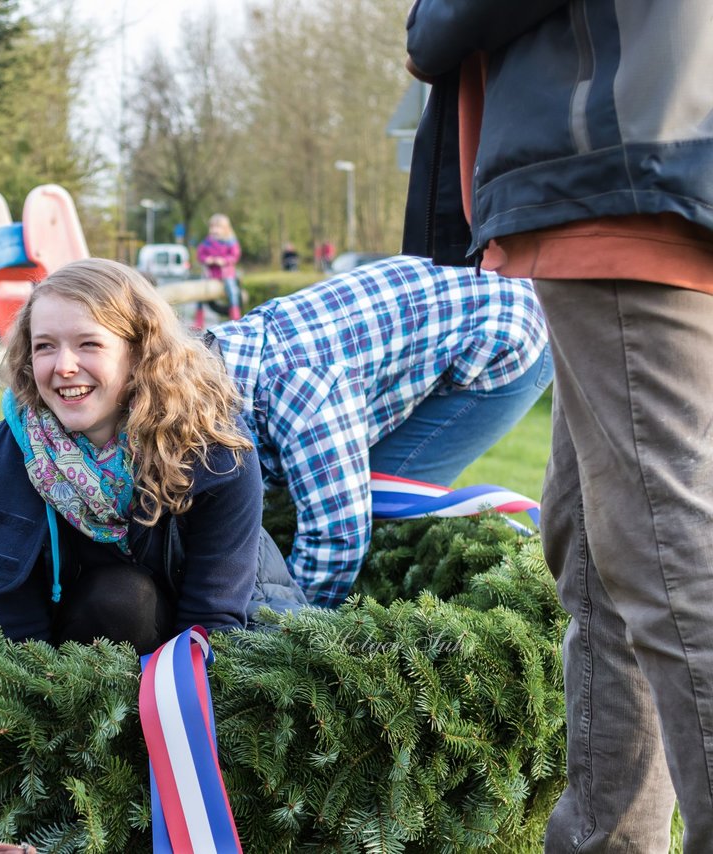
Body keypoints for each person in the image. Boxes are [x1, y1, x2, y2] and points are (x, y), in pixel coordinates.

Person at [406, 3, 713, 850]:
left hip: (626, 159)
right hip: (648, 153)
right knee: (596, 540)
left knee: (666, 543)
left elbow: (441, 29)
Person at [0, 259, 304, 653]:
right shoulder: (15, 451)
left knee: (129, 599)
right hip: (88, 640)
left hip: (226, 625)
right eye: (45, 346)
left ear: (140, 353)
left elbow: (214, 619)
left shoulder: (213, 447)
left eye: (89, 344)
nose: (64, 366)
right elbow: (13, 619)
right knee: (123, 598)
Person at [207, 254, 551, 608]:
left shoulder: (299, 392)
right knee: (331, 481)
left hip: (514, 330)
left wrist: (286, 629)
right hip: (476, 296)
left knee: (387, 494)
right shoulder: (213, 353)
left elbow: (339, 538)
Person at [195, 213, 243, 323]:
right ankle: (199, 317)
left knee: (232, 290)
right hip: (211, 273)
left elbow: (234, 255)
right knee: (199, 291)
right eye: (213, 227)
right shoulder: (207, 242)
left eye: (218, 227)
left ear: (226, 229)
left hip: (226, 273)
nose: (215, 230)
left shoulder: (230, 242)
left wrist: (224, 260)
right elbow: (200, 254)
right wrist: (207, 259)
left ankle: (235, 314)